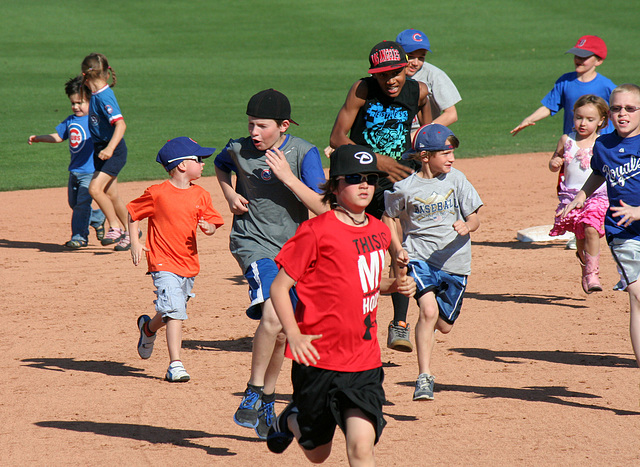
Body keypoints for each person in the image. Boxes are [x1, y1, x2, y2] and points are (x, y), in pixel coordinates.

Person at [266, 144, 416, 465]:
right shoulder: (314, 232)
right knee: (318, 454)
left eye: (370, 178)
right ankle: (290, 419)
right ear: (334, 185)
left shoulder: (377, 231)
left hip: (363, 361)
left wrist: (395, 285)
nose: (364, 185)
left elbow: (367, 283)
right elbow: (279, 288)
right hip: (317, 359)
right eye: (354, 178)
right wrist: (292, 334)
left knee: (361, 447)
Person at [214, 89, 327, 439]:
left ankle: (267, 398)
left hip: (294, 251)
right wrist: (230, 193)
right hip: (253, 244)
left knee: (280, 333)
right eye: (250, 124)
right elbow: (220, 164)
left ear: (283, 125)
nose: (254, 132)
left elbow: (323, 208)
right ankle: (251, 390)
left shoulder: (302, 153)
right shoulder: (239, 148)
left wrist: (288, 178)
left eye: (262, 126)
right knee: (273, 316)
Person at [329, 40, 431, 354]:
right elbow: (337, 137)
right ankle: (355, 322)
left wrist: (424, 150)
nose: (390, 80)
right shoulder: (361, 89)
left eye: (396, 73)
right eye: (383, 75)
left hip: (395, 183)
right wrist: (378, 159)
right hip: (360, 178)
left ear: (406, 68)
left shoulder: (420, 92)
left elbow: (428, 132)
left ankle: (399, 324)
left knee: (396, 246)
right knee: (355, 254)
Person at [383, 124, 483, 400]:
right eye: (446, 153)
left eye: (452, 153)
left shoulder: (457, 179)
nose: (451, 158)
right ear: (425, 156)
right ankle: (424, 377)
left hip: (455, 262)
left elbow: (475, 216)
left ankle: (436, 327)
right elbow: (389, 217)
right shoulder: (405, 187)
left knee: (444, 325)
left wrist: (468, 225)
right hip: (420, 257)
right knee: (427, 311)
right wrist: (396, 248)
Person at [129, 137, 224, 382]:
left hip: (188, 264)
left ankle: (148, 328)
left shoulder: (201, 195)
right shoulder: (157, 193)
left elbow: (213, 222)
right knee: (175, 310)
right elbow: (133, 213)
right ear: (182, 165)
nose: (203, 164)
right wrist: (135, 242)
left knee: (172, 310)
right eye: (198, 159)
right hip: (162, 262)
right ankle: (175, 364)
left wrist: (209, 228)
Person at [561, 83, 640, 367]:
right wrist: (581, 196)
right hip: (623, 233)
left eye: (630, 109)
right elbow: (598, 172)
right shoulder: (604, 145)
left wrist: (638, 210)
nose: (622, 114)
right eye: (617, 108)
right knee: (637, 294)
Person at [28, 76, 105, 249]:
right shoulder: (71, 120)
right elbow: (58, 137)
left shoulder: (95, 120)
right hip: (75, 171)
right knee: (74, 204)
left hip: (90, 171)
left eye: (80, 103)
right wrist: (39, 138)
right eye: (73, 103)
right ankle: (98, 218)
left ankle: (79, 237)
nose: (76, 106)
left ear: (91, 100)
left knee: (81, 205)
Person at [548, 95, 609, 293]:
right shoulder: (567, 140)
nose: (583, 123)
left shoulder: (603, 142)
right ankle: (585, 265)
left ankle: (593, 274)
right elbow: (555, 159)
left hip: (597, 195)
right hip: (570, 197)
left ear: (601, 121)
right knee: (580, 236)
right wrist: (554, 163)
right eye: (579, 117)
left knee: (591, 228)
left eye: (590, 119)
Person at [511, 35, 615, 137]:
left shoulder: (606, 86)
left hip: (600, 141)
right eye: (577, 55)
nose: (578, 60)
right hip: (573, 140)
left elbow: (620, 109)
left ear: (599, 61)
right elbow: (549, 107)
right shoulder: (565, 81)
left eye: (584, 57)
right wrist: (529, 119)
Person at [81, 53, 133, 251]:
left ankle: (115, 227)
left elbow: (120, 124)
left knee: (95, 189)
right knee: (112, 195)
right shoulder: (96, 93)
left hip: (113, 150)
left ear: (86, 74)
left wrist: (110, 148)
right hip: (101, 149)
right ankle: (131, 232)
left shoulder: (104, 96)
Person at [395, 28, 461, 129]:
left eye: (421, 57)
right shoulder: (385, 74)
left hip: (423, 132)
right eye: (410, 56)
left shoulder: (433, 75)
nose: (415, 63)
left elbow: (451, 115)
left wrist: (422, 134)